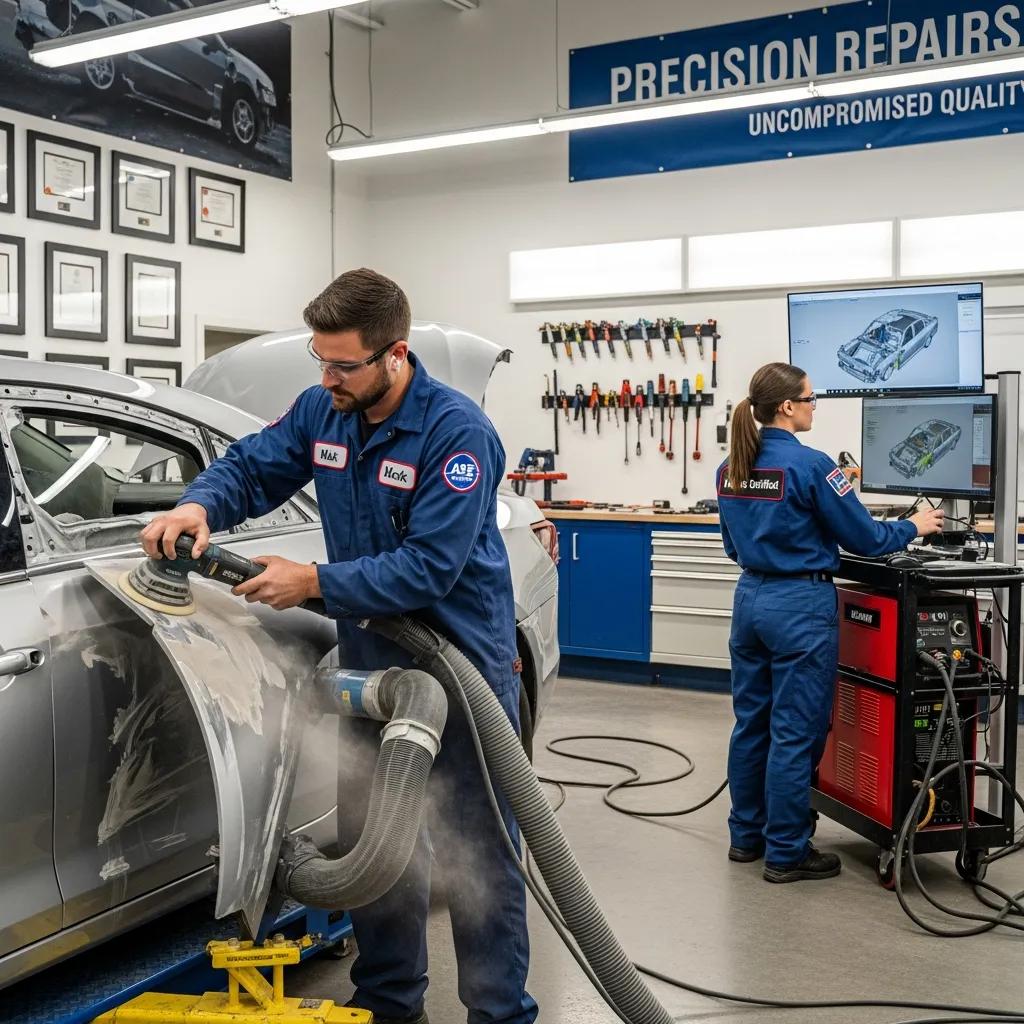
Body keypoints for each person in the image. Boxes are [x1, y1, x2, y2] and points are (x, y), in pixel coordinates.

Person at [140, 268, 538, 1024]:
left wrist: (312, 582)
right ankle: (390, 1004)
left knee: (480, 852)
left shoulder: (456, 434)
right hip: (372, 667)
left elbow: (429, 568)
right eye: (320, 361)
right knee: (376, 843)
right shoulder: (324, 410)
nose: (328, 379)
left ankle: (498, 1014)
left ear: (396, 354)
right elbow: (253, 465)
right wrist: (198, 504)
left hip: (462, 673)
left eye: (344, 365)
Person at [716, 362, 944, 883]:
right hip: (799, 606)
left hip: (750, 600)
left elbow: (732, 544)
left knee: (752, 724)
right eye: (810, 399)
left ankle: (746, 838)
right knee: (795, 731)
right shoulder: (813, 466)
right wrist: (914, 525)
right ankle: (786, 852)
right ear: (787, 407)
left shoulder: (731, 466)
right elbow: (866, 538)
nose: (814, 407)